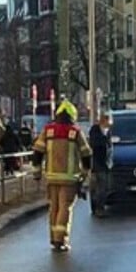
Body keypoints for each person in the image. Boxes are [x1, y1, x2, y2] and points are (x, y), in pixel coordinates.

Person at [32, 100, 92, 251]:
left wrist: (37, 172)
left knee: (54, 207)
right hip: (69, 178)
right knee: (65, 208)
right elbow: (86, 154)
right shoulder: (75, 132)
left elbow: (37, 152)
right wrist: (85, 174)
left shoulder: (48, 130)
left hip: (51, 177)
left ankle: (53, 238)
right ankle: (61, 239)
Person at [88, 112, 113, 217]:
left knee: (103, 187)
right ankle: (98, 208)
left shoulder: (108, 132)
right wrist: (105, 141)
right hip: (97, 163)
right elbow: (95, 145)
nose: (111, 123)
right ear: (105, 120)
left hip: (106, 164)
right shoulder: (95, 130)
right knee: (101, 187)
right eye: (109, 120)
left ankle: (98, 206)